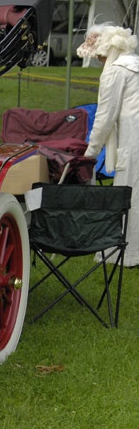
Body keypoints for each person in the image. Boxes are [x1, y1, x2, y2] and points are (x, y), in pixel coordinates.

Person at [78, 23, 139, 266]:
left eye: (100, 56)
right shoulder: (135, 63)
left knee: (129, 192)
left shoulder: (116, 71)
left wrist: (90, 153)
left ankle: (128, 252)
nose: (100, 60)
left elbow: (105, 117)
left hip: (133, 137)